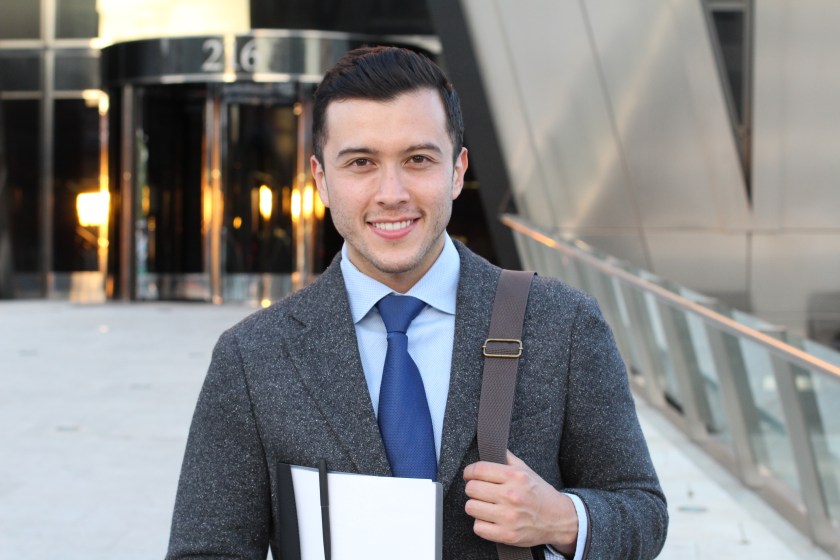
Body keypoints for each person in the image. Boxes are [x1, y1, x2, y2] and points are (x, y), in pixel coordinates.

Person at [166, 46, 667, 559]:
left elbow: (642, 510)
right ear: (321, 180)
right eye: (361, 163)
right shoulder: (253, 356)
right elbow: (205, 549)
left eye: (418, 160)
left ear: (456, 171)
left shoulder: (562, 323)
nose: (392, 193)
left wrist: (563, 519)